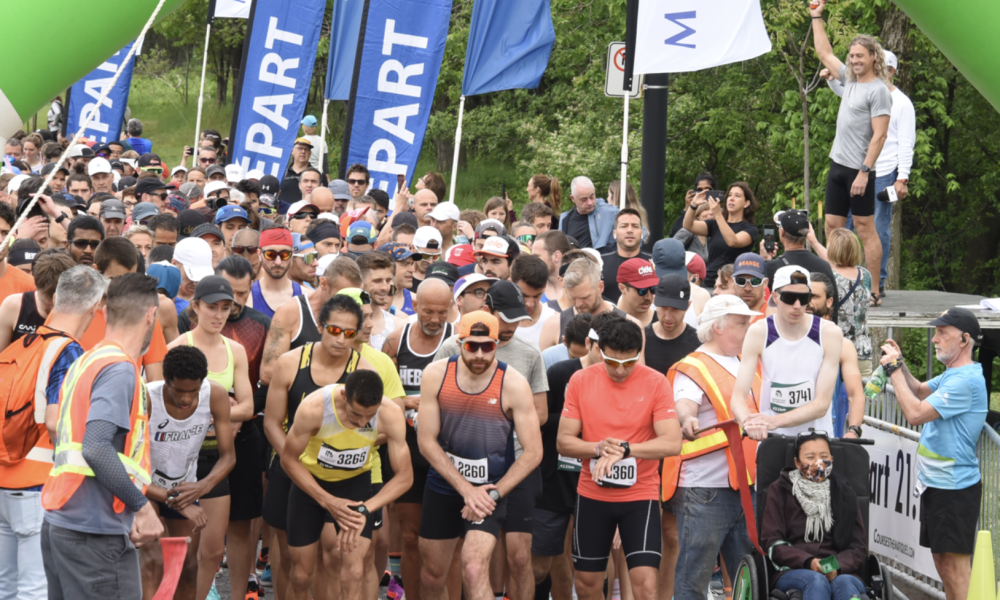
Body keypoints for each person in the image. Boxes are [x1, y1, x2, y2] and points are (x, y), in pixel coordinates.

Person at [40, 273, 165, 600]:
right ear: (151, 316)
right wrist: (142, 507)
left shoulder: (86, 360)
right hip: (93, 533)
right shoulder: (119, 368)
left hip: (66, 520)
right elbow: (95, 447)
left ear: (105, 313)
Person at [432, 282, 549, 600]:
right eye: (505, 319)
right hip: (461, 464)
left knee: (520, 556)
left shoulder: (529, 354)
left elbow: (539, 413)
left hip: (518, 462)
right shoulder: (449, 351)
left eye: (517, 320)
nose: (511, 327)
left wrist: (498, 422)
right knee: (460, 557)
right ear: (487, 312)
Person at [556, 318, 682, 600]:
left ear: (639, 353)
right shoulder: (581, 380)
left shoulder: (655, 382)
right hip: (593, 494)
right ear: (599, 351)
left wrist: (627, 449)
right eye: (612, 362)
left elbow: (672, 442)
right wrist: (599, 448)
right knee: (587, 584)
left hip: (640, 495)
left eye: (629, 362)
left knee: (645, 584)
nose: (621, 370)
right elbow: (564, 441)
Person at [0, 265, 104, 600]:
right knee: (36, 589)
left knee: (5, 585)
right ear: (95, 308)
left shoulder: (23, 342)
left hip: (5, 477)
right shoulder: (69, 351)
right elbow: (58, 424)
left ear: (56, 297)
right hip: (39, 486)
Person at [263, 295, 374, 598]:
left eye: (349, 333)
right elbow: (272, 422)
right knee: (289, 558)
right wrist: (295, 460)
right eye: (334, 330)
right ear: (320, 326)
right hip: (290, 467)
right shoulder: (290, 362)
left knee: (332, 557)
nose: (340, 339)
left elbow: (374, 428)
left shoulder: (363, 372)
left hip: (338, 474)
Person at [878, 308, 987, 600]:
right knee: (942, 563)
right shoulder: (953, 374)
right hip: (937, 484)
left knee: (955, 570)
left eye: (942, 333)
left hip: (954, 487)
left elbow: (914, 413)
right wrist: (900, 365)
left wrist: (891, 371)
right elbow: (918, 389)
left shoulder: (965, 380)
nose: (934, 340)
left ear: (964, 339)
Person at [663, 295, 762, 600]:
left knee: (752, 579)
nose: (750, 328)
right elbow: (683, 405)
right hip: (704, 491)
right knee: (693, 580)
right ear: (718, 327)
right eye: (742, 322)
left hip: (745, 487)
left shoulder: (748, 363)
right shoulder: (693, 366)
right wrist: (687, 419)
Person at [166, 276, 257, 600]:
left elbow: (247, 407)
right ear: (195, 307)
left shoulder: (235, 350)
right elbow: (165, 404)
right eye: (211, 308)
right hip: (180, 459)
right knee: (183, 549)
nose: (218, 315)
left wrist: (217, 414)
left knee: (213, 550)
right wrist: (219, 410)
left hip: (217, 458)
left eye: (225, 308)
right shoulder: (177, 350)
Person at [811, 1, 892, 298]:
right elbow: (824, 53)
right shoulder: (849, 79)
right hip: (838, 167)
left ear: (873, 58)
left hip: (861, 170)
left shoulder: (879, 90)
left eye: (860, 56)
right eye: (852, 56)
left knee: (864, 228)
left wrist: (864, 172)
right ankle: (836, 283)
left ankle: (873, 290)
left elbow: (879, 137)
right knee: (832, 225)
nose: (855, 60)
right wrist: (816, 15)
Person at [141, 346, 236, 600]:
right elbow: (129, 467)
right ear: (166, 380)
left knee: (187, 565)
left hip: (184, 486)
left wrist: (203, 487)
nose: (185, 399)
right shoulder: (147, 398)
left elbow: (228, 456)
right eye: (178, 391)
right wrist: (173, 500)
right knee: (152, 558)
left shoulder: (214, 394)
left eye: (192, 391)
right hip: (146, 485)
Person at [381, 278, 456, 600]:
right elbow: (384, 395)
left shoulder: (457, 340)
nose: (436, 319)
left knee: (449, 538)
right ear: (414, 305)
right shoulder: (397, 340)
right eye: (428, 311)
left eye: (442, 312)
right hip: (408, 448)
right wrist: (405, 402)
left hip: (447, 448)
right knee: (410, 535)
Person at [824, 50, 915, 298]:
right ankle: (846, 280)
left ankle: (878, 284)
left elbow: (906, 143)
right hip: (852, 167)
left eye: (886, 68)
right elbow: (847, 96)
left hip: (882, 172)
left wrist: (902, 178)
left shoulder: (902, 103)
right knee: (845, 226)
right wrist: (832, 80)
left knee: (875, 228)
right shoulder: (863, 88)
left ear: (892, 71)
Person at [730, 266, 844, 440]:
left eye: (804, 298)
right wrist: (750, 423)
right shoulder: (758, 332)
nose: (798, 305)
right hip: (774, 441)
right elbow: (738, 397)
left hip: (815, 442)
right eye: (790, 298)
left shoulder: (829, 333)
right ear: (775, 297)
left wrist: (773, 421)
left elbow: (822, 404)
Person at [760, 431, 869, 600]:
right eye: (810, 457)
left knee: (845, 584)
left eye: (824, 456)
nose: (818, 463)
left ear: (832, 459)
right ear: (797, 462)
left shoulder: (845, 492)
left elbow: (858, 548)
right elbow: (773, 543)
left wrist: (836, 566)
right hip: (794, 570)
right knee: (816, 581)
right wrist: (808, 561)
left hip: (841, 570)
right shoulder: (780, 489)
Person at [259, 255, 362, 385]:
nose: (347, 304)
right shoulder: (290, 311)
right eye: (342, 296)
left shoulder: (356, 315)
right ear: (323, 283)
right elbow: (268, 372)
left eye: (354, 298)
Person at [806, 273, 864, 438]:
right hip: (785, 427)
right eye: (805, 296)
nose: (808, 302)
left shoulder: (842, 345)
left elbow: (855, 394)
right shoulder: (781, 338)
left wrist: (854, 431)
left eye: (814, 296)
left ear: (829, 301)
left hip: (824, 433)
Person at [539, 258, 628, 351]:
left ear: (600, 287)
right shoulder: (554, 325)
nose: (578, 304)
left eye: (584, 297)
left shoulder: (627, 323)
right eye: (573, 298)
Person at [681, 183, 759, 287]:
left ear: (746, 203)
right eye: (729, 195)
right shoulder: (714, 224)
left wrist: (718, 214)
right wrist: (693, 204)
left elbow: (733, 241)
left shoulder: (750, 229)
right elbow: (688, 225)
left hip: (731, 285)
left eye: (737, 196)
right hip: (709, 282)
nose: (731, 199)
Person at [0, 250, 75, 351]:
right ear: (35, 283)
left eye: (59, 303)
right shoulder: (14, 306)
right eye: (48, 304)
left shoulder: (79, 310)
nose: (53, 309)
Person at [824, 229, 873, 377]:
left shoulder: (829, 277)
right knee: (859, 398)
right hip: (862, 351)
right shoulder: (866, 275)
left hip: (837, 351)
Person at [761, 210, 836, 292]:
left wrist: (765, 261)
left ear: (782, 232)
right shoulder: (824, 266)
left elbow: (764, 298)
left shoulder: (770, 267)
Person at [644, 274, 702, 376]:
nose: (668, 317)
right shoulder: (641, 338)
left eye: (675, 309)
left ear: (688, 306)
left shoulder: (699, 343)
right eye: (663, 307)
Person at [251, 228, 303, 319]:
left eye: (285, 255)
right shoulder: (248, 296)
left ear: (292, 254)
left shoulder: (307, 297)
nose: (278, 262)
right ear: (259, 254)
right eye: (270, 255)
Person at [600, 209, 651, 303]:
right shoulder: (601, 263)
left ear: (642, 234)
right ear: (614, 234)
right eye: (624, 226)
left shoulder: (652, 263)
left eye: (635, 226)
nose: (630, 230)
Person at [358, 252, 404, 352]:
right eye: (377, 281)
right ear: (361, 282)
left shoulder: (398, 325)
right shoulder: (345, 324)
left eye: (388, 281)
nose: (385, 287)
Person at [558, 176, 617, 250]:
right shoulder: (565, 219)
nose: (589, 203)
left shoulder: (611, 213)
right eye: (584, 199)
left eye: (592, 197)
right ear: (573, 199)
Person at [512, 255, 558, 347]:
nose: (530, 303)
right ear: (511, 284)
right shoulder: (495, 318)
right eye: (524, 295)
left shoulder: (555, 321)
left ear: (545, 286)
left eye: (537, 296)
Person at [531, 230, 572, 309]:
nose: (532, 261)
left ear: (556, 256)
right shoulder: (532, 292)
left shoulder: (577, 292)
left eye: (537, 257)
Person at [615, 258, 659, 328]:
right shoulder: (607, 326)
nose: (648, 297)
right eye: (641, 290)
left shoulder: (663, 323)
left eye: (652, 289)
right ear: (622, 288)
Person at [669, 172, 717, 237]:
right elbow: (674, 235)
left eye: (707, 190)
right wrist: (687, 208)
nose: (703, 193)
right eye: (699, 190)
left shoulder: (721, 211)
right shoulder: (692, 210)